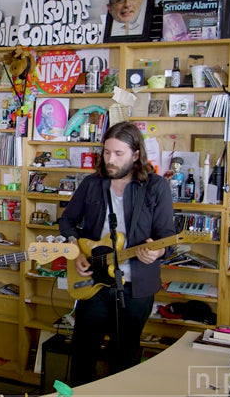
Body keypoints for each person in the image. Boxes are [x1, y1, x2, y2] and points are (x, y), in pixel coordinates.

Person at [58, 122, 175, 386]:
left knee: (124, 360)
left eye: (118, 154)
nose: (110, 160)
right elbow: (66, 222)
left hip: (135, 288)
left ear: (135, 155)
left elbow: (167, 237)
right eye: (106, 152)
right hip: (93, 285)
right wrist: (76, 250)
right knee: (82, 354)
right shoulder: (92, 184)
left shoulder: (156, 187)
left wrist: (157, 252)